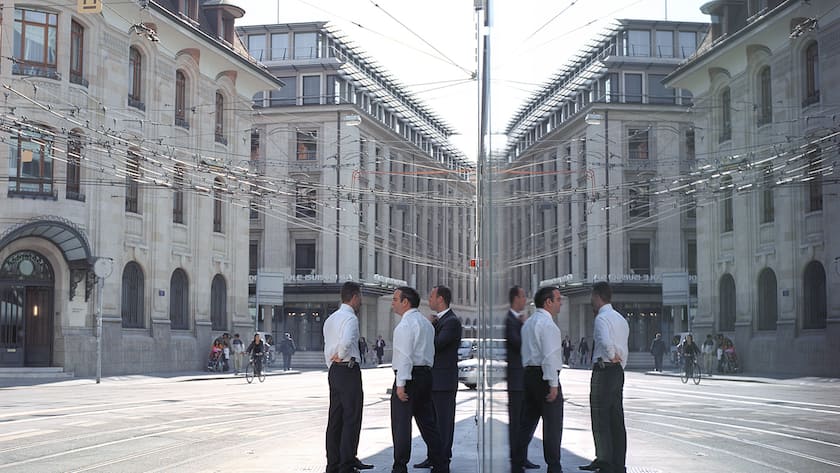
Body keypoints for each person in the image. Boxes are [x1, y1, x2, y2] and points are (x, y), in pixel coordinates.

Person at [390, 286, 446, 473]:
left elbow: (405, 357)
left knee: (401, 426)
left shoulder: (405, 326)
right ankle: (440, 464)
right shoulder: (426, 324)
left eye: (395, 299)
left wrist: (400, 385)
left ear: (405, 302)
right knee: (428, 423)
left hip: (409, 378)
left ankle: (400, 467)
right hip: (425, 376)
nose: (393, 303)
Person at [580, 281, 629, 473]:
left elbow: (605, 342)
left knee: (600, 417)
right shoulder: (620, 319)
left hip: (604, 369)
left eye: (592, 297)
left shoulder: (601, 319)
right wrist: (619, 362)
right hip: (618, 371)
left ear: (598, 296)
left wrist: (610, 355)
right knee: (616, 418)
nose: (591, 300)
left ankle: (604, 460)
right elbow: (624, 346)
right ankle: (618, 463)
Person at [323, 282, 373, 473]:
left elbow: (326, 345)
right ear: (354, 297)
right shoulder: (350, 318)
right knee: (352, 418)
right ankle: (347, 464)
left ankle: (333, 464)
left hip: (334, 371)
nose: (360, 301)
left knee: (335, 419)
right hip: (348, 369)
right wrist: (342, 354)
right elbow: (346, 342)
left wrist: (332, 362)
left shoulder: (331, 318)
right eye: (359, 297)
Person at [414, 286, 462, 469]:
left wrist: (430, 326)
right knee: (432, 423)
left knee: (443, 423)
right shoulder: (440, 321)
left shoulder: (451, 322)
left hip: (444, 383)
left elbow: (436, 344)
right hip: (433, 381)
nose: (429, 299)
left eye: (432, 296)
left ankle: (443, 459)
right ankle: (433, 456)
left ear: (441, 299)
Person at [519, 286, 565, 473]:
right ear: (548, 302)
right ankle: (554, 466)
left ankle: (518, 458)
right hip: (545, 377)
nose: (560, 303)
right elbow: (550, 356)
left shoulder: (529, 323)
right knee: (552, 424)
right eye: (558, 299)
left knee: (528, 421)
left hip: (529, 375)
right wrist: (553, 384)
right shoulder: (548, 325)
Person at [505, 286, 539, 471]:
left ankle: (521, 457)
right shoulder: (510, 321)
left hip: (522, 381)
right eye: (523, 296)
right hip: (517, 382)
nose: (525, 299)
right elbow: (520, 344)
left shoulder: (515, 320)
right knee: (517, 423)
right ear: (516, 298)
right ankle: (517, 459)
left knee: (523, 423)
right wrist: (526, 326)